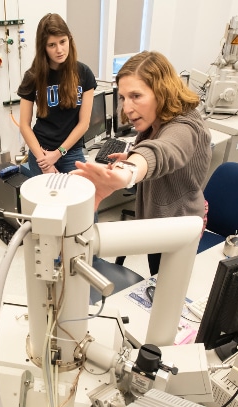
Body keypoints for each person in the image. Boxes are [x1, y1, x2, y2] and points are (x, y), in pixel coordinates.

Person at [73, 51, 211, 275]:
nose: (126, 108)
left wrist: (128, 171)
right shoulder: (156, 120)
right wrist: (131, 155)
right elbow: (155, 148)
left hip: (177, 227)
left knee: (165, 288)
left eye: (136, 96)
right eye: (123, 98)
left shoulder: (184, 126)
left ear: (161, 90)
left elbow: (165, 150)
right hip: (157, 221)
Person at [17, 13, 96, 176]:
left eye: (62, 42)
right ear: (43, 47)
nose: (59, 50)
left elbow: (84, 124)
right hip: (41, 152)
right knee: (45, 200)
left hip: (71, 152)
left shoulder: (84, 73)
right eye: (52, 45)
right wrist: (44, 161)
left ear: (70, 39)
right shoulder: (32, 77)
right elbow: (24, 125)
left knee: (76, 200)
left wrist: (58, 153)